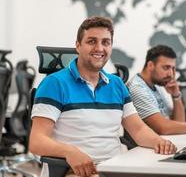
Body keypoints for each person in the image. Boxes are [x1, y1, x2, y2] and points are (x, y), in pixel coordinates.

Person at [29, 17, 176, 177]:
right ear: (78, 45)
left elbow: (138, 129)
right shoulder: (55, 83)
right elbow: (37, 141)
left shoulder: (116, 84)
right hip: (75, 170)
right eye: (92, 41)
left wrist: (159, 142)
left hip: (114, 167)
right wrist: (70, 152)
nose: (99, 48)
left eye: (105, 42)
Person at [127, 45, 186, 135]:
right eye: (166, 67)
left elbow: (179, 122)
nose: (171, 74)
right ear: (150, 65)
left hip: (165, 142)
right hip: (147, 148)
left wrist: (176, 95)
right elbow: (163, 128)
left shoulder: (157, 85)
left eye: (173, 68)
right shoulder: (137, 88)